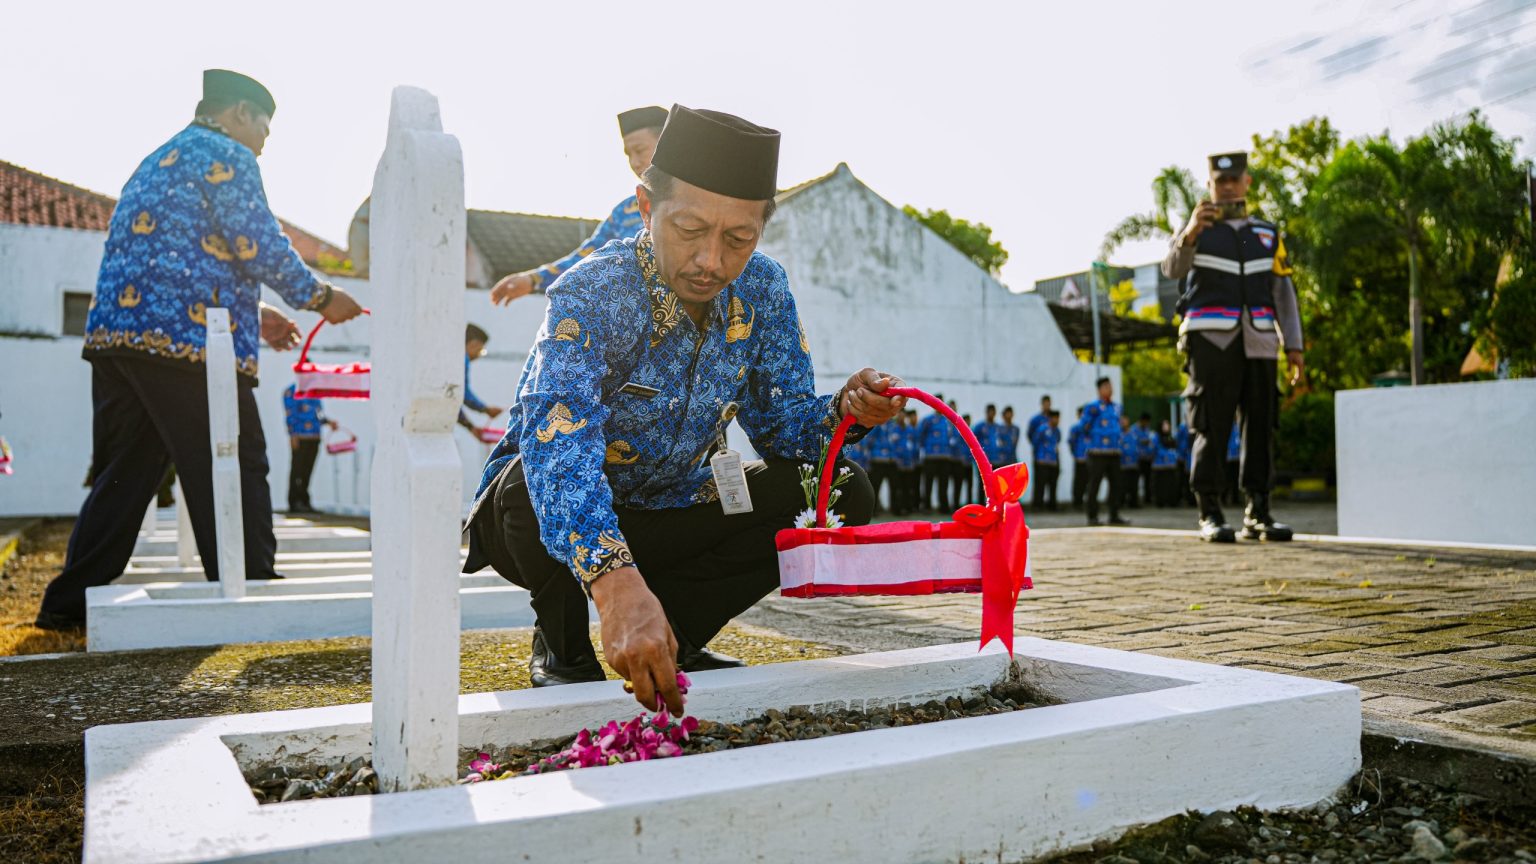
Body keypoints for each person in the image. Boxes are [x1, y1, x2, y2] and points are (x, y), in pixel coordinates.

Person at [463, 105, 904, 713]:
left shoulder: (764, 289)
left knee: (835, 491)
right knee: (528, 481)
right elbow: (558, 440)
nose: (711, 262)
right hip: (541, 521)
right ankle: (563, 643)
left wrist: (847, 411)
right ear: (646, 208)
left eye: (739, 239)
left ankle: (676, 632)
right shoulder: (594, 289)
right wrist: (615, 584)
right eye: (690, 229)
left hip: (670, 507)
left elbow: (785, 431)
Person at [35, 70, 365, 630]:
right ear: (239, 113)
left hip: (118, 337)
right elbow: (256, 242)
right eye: (264, 128)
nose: (263, 141)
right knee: (232, 457)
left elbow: (180, 255)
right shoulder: (228, 154)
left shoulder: (160, 159)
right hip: (185, 344)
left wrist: (253, 313)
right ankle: (252, 586)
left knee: (127, 471)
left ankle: (67, 604)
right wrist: (321, 296)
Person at [1163, 150, 1302, 543]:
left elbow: (1283, 292)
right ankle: (1209, 511)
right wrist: (1191, 232)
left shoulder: (1267, 234)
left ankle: (1258, 511)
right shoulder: (1196, 228)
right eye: (1219, 181)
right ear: (1209, 185)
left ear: (1246, 182)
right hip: (1210, 339)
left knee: (1261, 423)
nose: (1226, 187)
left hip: (1260, 340)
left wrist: (1294, 346)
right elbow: (1172, 269)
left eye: (1233, 180)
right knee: (1211, 423)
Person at [490, 106, 667, 304]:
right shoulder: (624, 212)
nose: (634, 162)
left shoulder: (693, 201)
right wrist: (532, 279)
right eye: (628, 155)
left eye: (640, 151)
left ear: (666, 145)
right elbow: (589, 256)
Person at [1080, 377, 1128, 527]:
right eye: (1106, 386)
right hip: (1097, 452)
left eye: (1110, 386)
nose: (1110, 389)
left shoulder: (1117, 407)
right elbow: (1083, 426)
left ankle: (1114, 514)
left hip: (1114, 452)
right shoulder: (1092, 407)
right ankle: (1092, 516)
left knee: (1116, 484)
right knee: (1094, 484)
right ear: (1099, 389)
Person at [283, 383, 337, 514]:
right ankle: (294, 502)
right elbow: (290, 414)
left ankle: (304, 501)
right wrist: (292, 435)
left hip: (314, 437)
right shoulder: (291, 391)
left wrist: (328, 422)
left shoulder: (315, 391)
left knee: (307, 471)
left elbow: (318, 414)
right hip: (300, 437)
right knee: (297, 470)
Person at [918, 396, 952, 512]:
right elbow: (920, 436)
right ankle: (926, 506)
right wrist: (926, 449)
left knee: (944, 483)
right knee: (928, 483)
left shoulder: (947, 420)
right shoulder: (927, 420)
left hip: (945, 457)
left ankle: (944, 506)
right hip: (930, 457)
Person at [1031, 410, 1062, 511]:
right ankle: (1038, 505)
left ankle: (1052, 505)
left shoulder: (1057, 431)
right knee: (1040, 484)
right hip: (1042, 460)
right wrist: (1038, 457)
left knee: (1053, 484)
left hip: (1053, 461)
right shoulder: (1042, 429)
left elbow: (1058, 442)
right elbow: (1035, 442)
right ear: (1050, 418)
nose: (1057, 420)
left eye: (1058, 418)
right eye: (1055, 418)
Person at [864, 419, 896, 513]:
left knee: (894, 486)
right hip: (877, 460)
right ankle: (874, 509)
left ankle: (894, 508)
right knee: (875, 486)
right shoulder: (875, 425)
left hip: (890, 461)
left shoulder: (893, 425)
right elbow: (868, 441)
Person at [893, 409, 921, 515]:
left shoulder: (910, 430)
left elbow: (915, 444)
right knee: (898, 487)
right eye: (899, 414)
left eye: (903, 415)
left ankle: (908, 507)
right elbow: (892, 445)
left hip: (909, 464)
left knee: (908, 487)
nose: (901, 416)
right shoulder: (893, 429)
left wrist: (914, 459)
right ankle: (898, 508)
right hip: (897, 464)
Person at [972, 404, 1002, 505]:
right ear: (986, 412)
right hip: (984, 461)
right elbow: (973, 442)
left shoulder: (998, 427)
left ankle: (996, 505)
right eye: (990, 412)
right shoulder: (979, 427)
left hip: (996, 460)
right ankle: (982, 505)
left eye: (993, 412)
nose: (991, 414)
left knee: (996, 485)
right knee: (983, 485)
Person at [1118, 415, 1140, 510]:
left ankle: (1133, 502)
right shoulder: (1118, 434)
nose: (1124, 423)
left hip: (1134, 463)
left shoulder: (1133, 434)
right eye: (1122, 421)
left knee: (1134, 485)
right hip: (1122, 464)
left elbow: (1137, 446)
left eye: (1125, 421)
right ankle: (1121, 502)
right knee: (1122, 485)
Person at [1069, 406, 1088, 510]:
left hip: (1090, 459)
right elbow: (1071, 442)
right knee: (1078, 482)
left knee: (1089, 482)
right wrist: (1076, 454)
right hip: (1080, 459)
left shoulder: (1091, 428)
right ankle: (1077, 502)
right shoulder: (1075, 428)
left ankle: (1088, 502)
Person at [1135, 413, 1156, 506]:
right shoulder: (1134, 429)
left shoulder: (1147, 429)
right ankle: (1135, 499)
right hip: (1138, 459)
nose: (1147, 424)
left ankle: (1148, 498)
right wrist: (1142, 441)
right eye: (1146, 422)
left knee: (1148, 479)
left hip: (1147, 459)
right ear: (1142, 421)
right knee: (1136, 480)